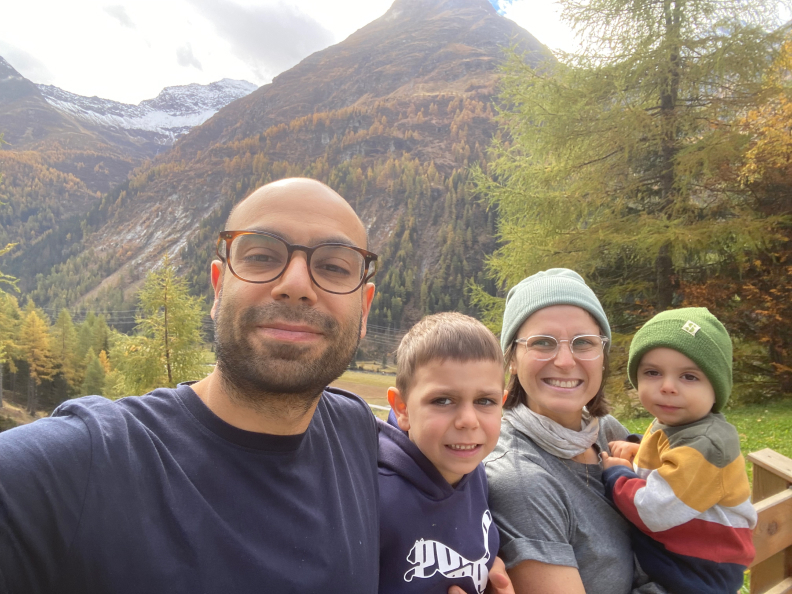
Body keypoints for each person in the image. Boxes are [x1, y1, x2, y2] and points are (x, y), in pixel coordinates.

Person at [0, 178, 513, 594]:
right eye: (263, 256)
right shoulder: (79, 466)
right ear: (219, 286)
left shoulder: (355, 429)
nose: (295, 282)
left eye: (334, 267)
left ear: (365, 311)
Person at [484, 268, 665, 594]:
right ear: (511, 359)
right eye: (542, 342)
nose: (566, 361)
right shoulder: (521, 479)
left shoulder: (606, 431)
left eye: (584, 343)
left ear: (602, 356)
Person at [602, 307, 757, 594]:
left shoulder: (706, 443)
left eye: (689, 376)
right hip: (683, 554)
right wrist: (637, 451)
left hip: (700, 572)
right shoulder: (677, 423)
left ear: (717, 387)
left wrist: (617, 474)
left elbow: (655, 509)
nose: (667, 387)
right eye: (652, 372)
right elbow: (670, 461)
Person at [379, 312, 506, 594]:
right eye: (443, 400)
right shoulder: (375, 497)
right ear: (402, 408)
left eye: (485, 401)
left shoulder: (475, 472)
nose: (468, 420)